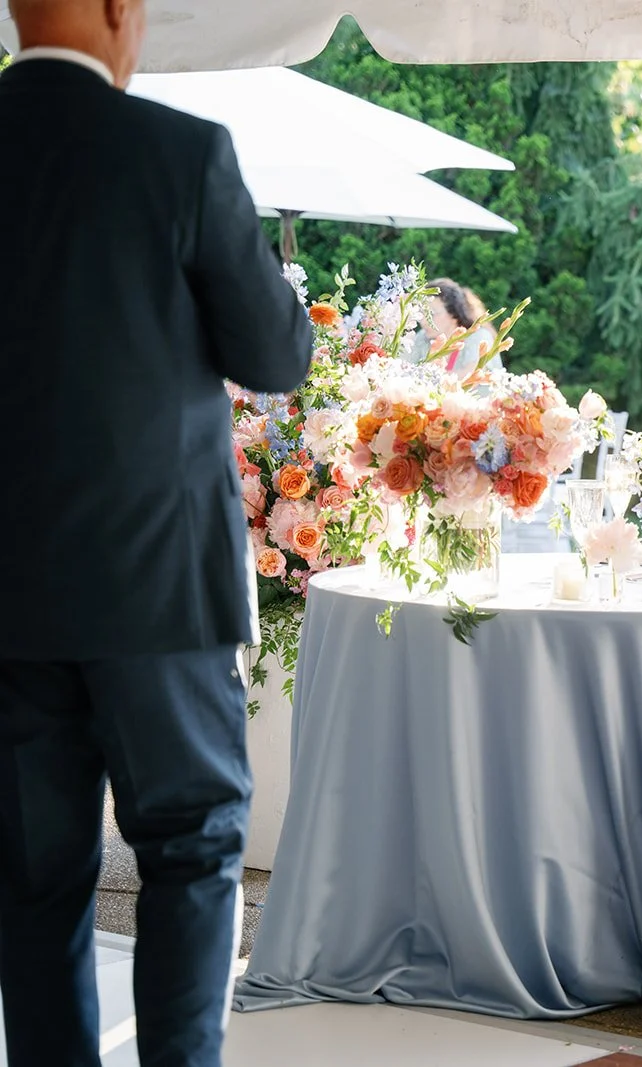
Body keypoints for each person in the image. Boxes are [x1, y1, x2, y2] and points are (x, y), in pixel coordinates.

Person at [0, 2, 315, 1064]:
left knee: (32, 876)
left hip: (7, 599)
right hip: (158, 586)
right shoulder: (180, 153)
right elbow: (274, 355)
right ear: (119, 13)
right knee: (190, 849)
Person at [427, 276, 501, 381]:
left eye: (432, 314)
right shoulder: (422, 338)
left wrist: (427, 378)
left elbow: (472, 377)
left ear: (453, 315)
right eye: (422, 312)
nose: (423, 320)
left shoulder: (479, 336)